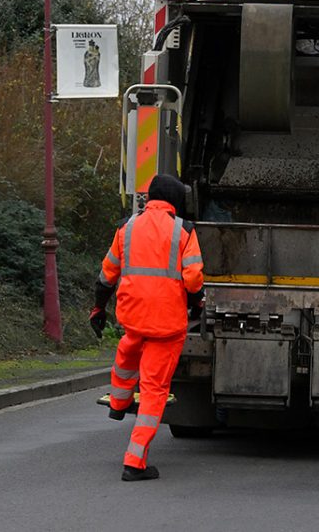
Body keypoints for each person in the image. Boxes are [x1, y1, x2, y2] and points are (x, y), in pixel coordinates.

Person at [89, 174, 205, 482]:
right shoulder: (184, 231)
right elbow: (193, 279)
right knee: (154, 391)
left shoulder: (126, 228)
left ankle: (117, 403)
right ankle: (135, 462)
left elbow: (106, 274)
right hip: (166, 324)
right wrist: (199, 303)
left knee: (127, 351)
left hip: (134, 317)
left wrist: (98, 308)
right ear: (176, 201)